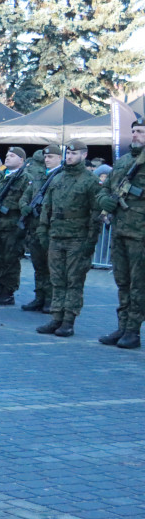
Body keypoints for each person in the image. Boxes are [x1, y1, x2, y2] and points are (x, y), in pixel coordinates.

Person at [35, 140, 100, 337]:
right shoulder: (58, 178)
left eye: (74, 154)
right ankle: (56, 318)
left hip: (77, 239)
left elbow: (95, 214)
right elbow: (47, 207)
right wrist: (43, 231)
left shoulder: (90, 181)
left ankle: (68, 321)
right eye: (68, 154)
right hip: (56, 236)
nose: (69, 157)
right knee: (57, 280)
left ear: (84, 155)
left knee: (73, 281)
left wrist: (90, 242)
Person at [97, 119, 145, 348]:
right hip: (120, 231)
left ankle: (133, 331)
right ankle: (122, 326)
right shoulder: (124, 161)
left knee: (139, 285)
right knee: (123, 283)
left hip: (141, 235)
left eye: (140, 131)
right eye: (133, 131)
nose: (135, 135)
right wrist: (103, 200)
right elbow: (106, 189)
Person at [0, 147, 31, 305]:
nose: (8, 158)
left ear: (21, 160)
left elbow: (26, 200)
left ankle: (8, 292)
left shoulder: (25, 178)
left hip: (12, 226)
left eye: (12, 156)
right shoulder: (0, 175)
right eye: (7, 155)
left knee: (10, 260)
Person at [19, 145, 63, 313]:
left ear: (59, 158)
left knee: (51, 266)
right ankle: (40, 297)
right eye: (45, 157)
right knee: (38, 266)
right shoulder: (38, 176)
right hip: (35, 227)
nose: (47, 160)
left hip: (51, 229)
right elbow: (27, 194)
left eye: (51, 157)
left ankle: (50, 300)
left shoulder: (61, 176)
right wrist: (24, 206)